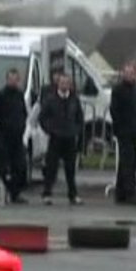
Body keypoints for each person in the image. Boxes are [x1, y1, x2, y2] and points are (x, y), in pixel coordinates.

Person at [39, 73, 84, 205]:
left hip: (70, 138)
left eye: (67, 83)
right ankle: (47, 193)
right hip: (55, 138)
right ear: (58, 84)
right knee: (51, 167)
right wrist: (50, 129)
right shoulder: (50, 99)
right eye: (62, 83)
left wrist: (76, 130)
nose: (65, 85)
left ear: (70, 85)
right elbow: (43, 117)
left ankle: (73, 195)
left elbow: (79, 118)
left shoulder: (74, 99)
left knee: (70, 168)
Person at [0, 68, 29, 204]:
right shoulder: (1, 95)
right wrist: (4, 125)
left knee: (18, 166)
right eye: (11, 79)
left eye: (15, 79)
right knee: (3, 166)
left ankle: (16, 193)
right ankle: (4, 192)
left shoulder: (20, 95)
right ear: (7, 80)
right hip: (4, 136)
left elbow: (23, 112)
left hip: (17, 137)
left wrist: (22, 126)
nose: (13, 81)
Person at [110, 61, 136, 203]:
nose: (129, 75)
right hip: (124, 131)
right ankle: (130, 192)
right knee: (128, 162)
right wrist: (120, 127)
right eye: (127, 72)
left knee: (128, 162)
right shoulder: (118, 89)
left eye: (132, 73)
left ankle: (120, 191)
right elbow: (114, 110)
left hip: (135, 130)